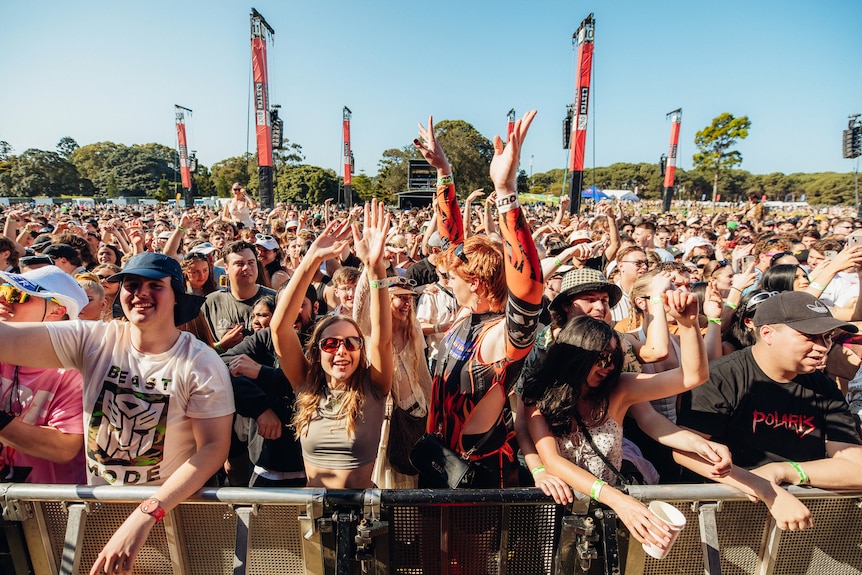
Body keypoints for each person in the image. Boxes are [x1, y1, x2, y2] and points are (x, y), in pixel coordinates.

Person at [0, 252, 234, 574]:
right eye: (132, 284)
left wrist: (147, 513)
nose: (141, 293)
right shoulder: (95, 338)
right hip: (101, 513)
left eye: (155, 285)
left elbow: (213, 449)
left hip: (169, 519)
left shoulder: (201, 363)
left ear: (177, 298)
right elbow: (7, 340)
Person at [523, 293, 719, 550]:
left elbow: (692, 376)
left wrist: (688, 323)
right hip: (558, 511)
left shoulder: (620, 389)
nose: (608, 367)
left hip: (610, 514)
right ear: (577, 357)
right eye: (601, 358)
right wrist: (618, 500)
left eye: (614, 360)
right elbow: (553, 461)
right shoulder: (540, 393)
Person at [415, 110, 543, 488]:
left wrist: (505, 193)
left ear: (477, 282)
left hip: (478, 478)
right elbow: (451, 239)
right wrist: (444, 172)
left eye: (453, 276)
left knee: (465, 551)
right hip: (440, 465)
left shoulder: (502, 336)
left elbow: (529, 292)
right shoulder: (465, 313)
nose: (445, 280)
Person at [676, 290, 862, 531]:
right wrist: (766, 489)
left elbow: (855, 466)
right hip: (726, 520)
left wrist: (783, 471)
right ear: (767, 334)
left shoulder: (823, 386)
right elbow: (686, 452)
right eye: (810, 336)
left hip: (801, 521)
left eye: (827, 337)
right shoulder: (722, 376)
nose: (822, 347)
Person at [272, 201, 393, 488]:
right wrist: (311, 258)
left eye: (352, 343)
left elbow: (383, 338)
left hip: (364, 519)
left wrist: (376, 270)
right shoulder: (306, 385)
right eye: (330, 344)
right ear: (316, 352)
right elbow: (279, 328)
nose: (342, 351)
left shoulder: (374, 387)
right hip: (314, 518)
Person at [0, 266, 89, 484]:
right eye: (3, 291)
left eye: (17, 294)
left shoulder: (73, 370)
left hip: (48, 510)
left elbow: (64, 448)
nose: (4, 300)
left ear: (56, 311)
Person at [202, 241, 276, 353]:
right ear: (226, 268)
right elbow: (197, 348)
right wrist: (220, 346)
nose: (247, 267)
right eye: (239, 264)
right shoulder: (210, 303)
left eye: (251, 262)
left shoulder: (275, 299)